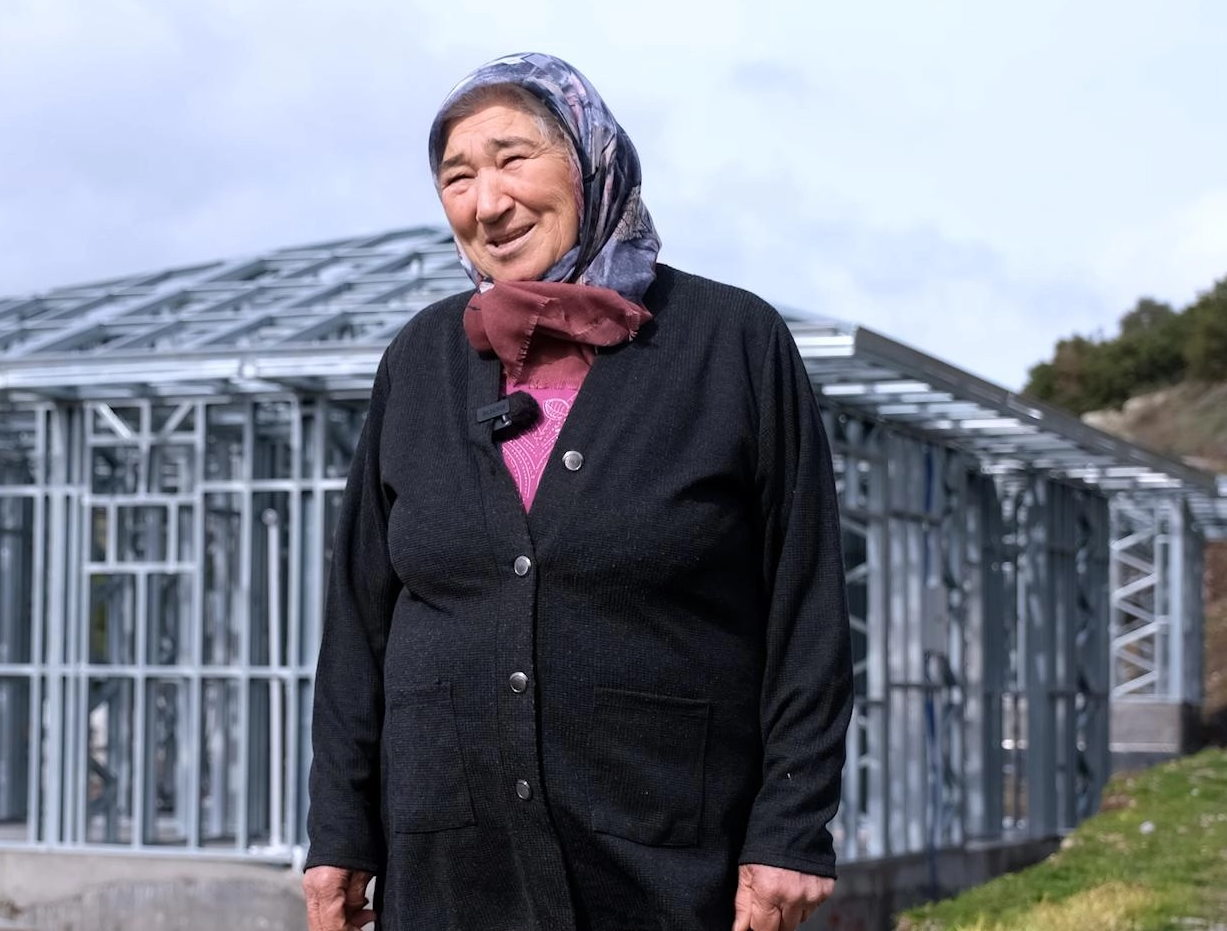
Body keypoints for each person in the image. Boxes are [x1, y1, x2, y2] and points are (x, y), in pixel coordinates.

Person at [303, 53, 854, 931]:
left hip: (668, 865)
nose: (488, 202)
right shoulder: (419, 361)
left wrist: (791, 827)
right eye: (457, 177)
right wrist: (339, 830)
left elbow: (806, 603)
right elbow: (359, 620)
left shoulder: (731, 343)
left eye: (513, 159)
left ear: (591, 160)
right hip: (450, 872)